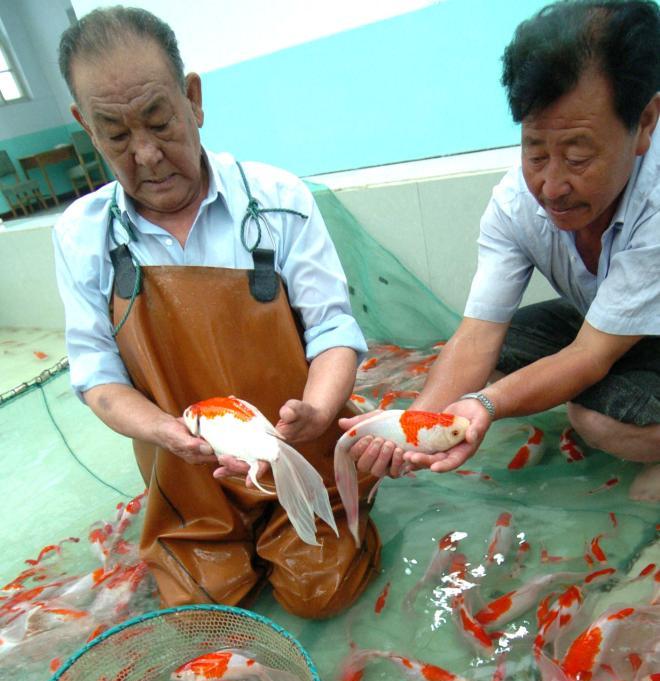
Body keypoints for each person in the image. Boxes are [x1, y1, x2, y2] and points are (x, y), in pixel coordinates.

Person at [54, 5, 380, 615]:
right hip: (188, 480)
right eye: (117, 135)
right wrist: (165, 433)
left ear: (194, 100)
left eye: (160, 123)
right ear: (86, 128)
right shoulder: (82, 235)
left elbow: (333, 329)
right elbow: (96, 375)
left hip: (295, 451)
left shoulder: (279, 201)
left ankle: (321, 502)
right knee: (207, 610)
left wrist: (316, 410)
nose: (147, 155)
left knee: (322, 591)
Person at [341, 0, 660, 495]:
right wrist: (413, 429)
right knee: (496, 357)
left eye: (578, 156)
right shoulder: (515, 203)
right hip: (602, 325)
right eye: (535, 151)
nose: (552, 186)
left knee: (596, 419)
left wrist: (486, 405)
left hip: (621, 341)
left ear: (645, 123)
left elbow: (589, 356)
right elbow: (476, 337)